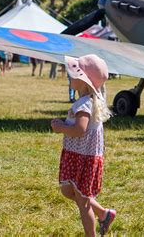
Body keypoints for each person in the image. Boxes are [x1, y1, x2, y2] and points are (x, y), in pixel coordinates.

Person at [51, 54, 115, 236]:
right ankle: (104, 213)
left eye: (73, 74)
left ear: (83, 80)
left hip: (82, 158)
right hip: (78, 155)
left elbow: (80, 130)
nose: (69, 76)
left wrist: (61, 127)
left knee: (83, 201)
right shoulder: (87, 102)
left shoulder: (85, 104)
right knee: (69, 191)